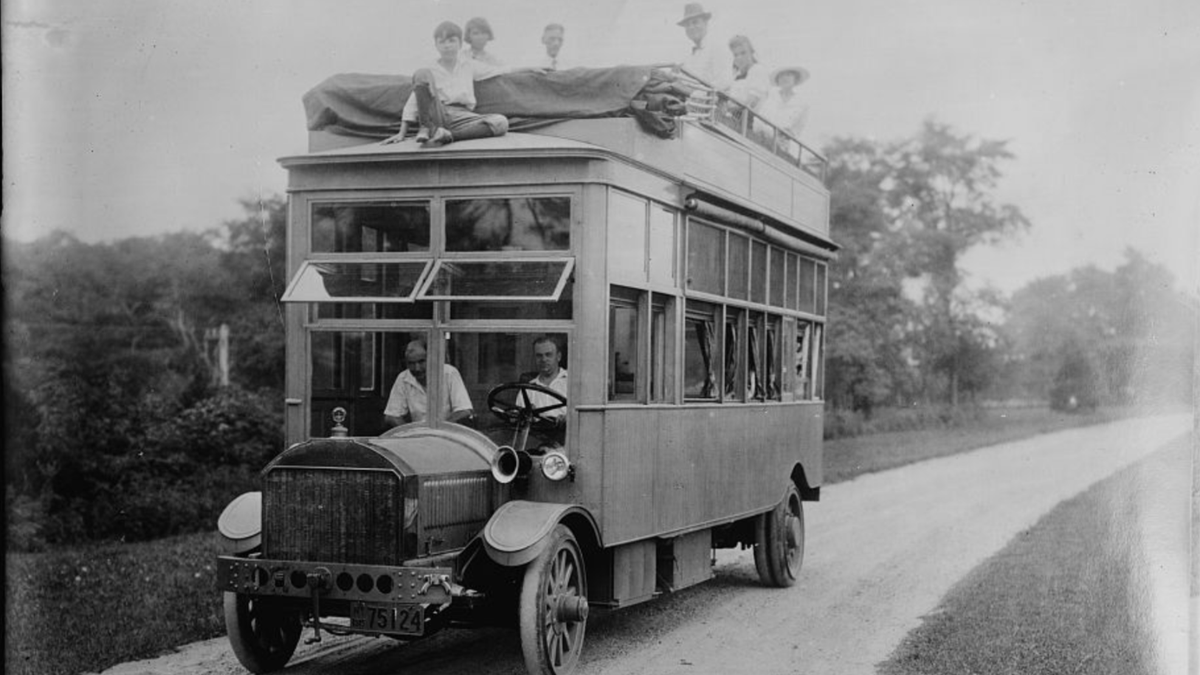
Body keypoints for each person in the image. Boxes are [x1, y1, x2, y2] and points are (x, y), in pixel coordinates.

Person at [383, 21, 515, 148]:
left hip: (463, 116)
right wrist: (402, 133)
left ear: (460, 44)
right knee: (421, 72)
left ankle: (448, 136)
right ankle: (426, 128)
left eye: (452, 40)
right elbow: (413, 101)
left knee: (500, 122)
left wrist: (531, 68)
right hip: (438, 113)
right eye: (442, 42)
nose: (447, 45)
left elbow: (500, 70)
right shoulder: (431, 69)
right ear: (436, 45)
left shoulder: (468, 65)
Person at [383, 339, 473, 426]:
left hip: (447, 436)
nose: (417, 368)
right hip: (418, 438)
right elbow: (391, 416)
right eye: (411, 363)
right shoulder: (403, 378)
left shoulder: (449, 373)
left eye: (421, 361)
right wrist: (412, 435)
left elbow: (464, 411)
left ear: (431, 359)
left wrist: (437, 430)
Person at [678, 3, 731, 91]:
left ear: (705, 23)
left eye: (695, 22)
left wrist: (699, 94)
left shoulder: (717, 48)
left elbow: (724, 81)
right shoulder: (689, 57)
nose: (691, 27)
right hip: (691, 101)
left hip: (711, 101)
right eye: (687, 25)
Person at [757, 66, 811, 139]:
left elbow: (798, 129)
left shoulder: (802, 104)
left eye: (788, 75)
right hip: (760, 136)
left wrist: (788, 134)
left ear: (795, 79)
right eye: (781, 75)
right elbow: (758, 117)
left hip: (782, 143)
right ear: (777, 80)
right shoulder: (769, 95)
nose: (784, 78)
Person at [527, 335, 567, 425]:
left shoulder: (572, 381)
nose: (543, 359)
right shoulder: (528, 389)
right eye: (539, 356)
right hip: (536, 436)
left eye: (548, 355)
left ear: (559, 356)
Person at [725, 34, 770, 110]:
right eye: (735, 55)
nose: (739, 58)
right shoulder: (736, 76)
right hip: (734, 117)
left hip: (750, 119)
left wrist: (727, 108)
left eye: (743, 53)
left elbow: (751, 103)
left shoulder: (758, 70)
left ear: (751, 52)